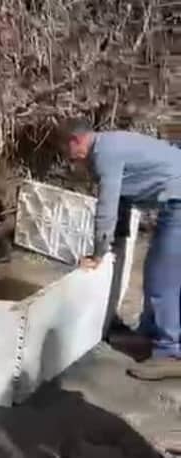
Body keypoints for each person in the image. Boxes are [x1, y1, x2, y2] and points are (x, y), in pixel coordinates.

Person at [60, 120, 181, 380]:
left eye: (67, 149)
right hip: (174, 199)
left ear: (76, 141)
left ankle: (170, 352)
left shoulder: (105, 153)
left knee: (164, 280)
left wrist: (98, 253)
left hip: (178, 201)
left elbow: (108, 204)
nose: (70, 158)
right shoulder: (110, 145)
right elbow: (125, 197)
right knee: (156, 272)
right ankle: (150, 336)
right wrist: (117, 240)